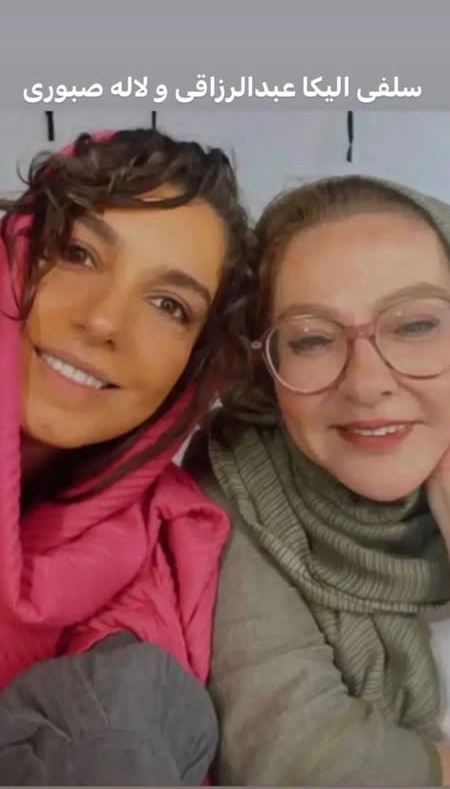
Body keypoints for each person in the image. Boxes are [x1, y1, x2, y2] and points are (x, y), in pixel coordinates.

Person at [0, 126, 252, 785]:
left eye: (169, 305)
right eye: (78, 253)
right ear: (16, 254)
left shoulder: (164, 543)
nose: (104, 321)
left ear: (194, 368)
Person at [184, 174, 450, 786]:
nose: (366, 383)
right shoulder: (235, 484)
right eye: (311, 339)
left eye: (415, 326)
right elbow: (295, 758)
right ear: (266, 366)